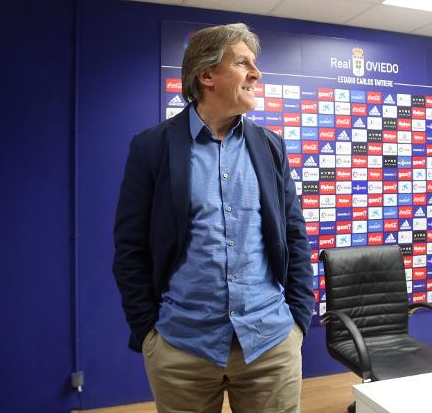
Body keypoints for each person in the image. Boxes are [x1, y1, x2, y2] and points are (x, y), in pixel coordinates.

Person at [112, 23, 314, 413]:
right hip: (181, 350)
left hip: (270, 346)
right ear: (206, 76)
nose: (256, 74)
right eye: (243, 63)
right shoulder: (152, 147)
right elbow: (130, 248)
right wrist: (148, 332)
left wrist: (297, 322)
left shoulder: (270, 147)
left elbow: (294, 236)